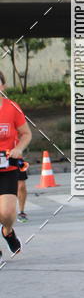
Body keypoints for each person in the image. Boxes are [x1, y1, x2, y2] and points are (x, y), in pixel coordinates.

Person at [0, 71, 33, 259]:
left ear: (2, 86)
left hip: (8, 167)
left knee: (6, 213)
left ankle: (7, 231)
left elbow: (26, 134)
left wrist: (19, 148)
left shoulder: (11, 107)